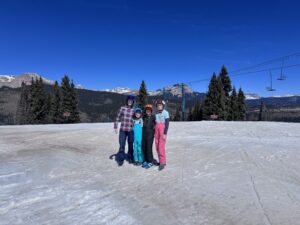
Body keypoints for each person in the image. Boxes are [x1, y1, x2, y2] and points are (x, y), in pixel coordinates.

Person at [114, 95, 135, 166]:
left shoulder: (134, 109)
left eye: (131, 101)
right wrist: (115, 126)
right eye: (129, 100)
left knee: (130, 144)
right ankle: (120, 158)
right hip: (123, 129)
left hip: (131, 130)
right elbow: (117, 117)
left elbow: (138, 118)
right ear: (127, 101)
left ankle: (130, 157)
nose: (130, 102)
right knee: (122, 144)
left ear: (133, 102)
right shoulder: (122, 108)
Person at [154, 99, 170, 171]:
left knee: (161, 147)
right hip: (156, 131)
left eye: (160, 105)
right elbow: (154, 123)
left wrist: (165, 133)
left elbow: (167, 124)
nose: (159, 106)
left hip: (162, 130)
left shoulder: (166, 113)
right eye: (158, 105)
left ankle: (163, 162)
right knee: (157, 146)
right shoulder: (156, 113)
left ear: (163, 106)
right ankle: (161, 161)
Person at [142, 104, 156, 169]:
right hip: (144, 134)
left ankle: (150, 161)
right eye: (147, 110)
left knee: (149, 147)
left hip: (150, 134)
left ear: (151, 111)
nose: (148, 111)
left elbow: (157, 124)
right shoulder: (144, 117)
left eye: (149, 110)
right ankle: (145, 160)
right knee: (144, 147)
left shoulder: (153, 117)